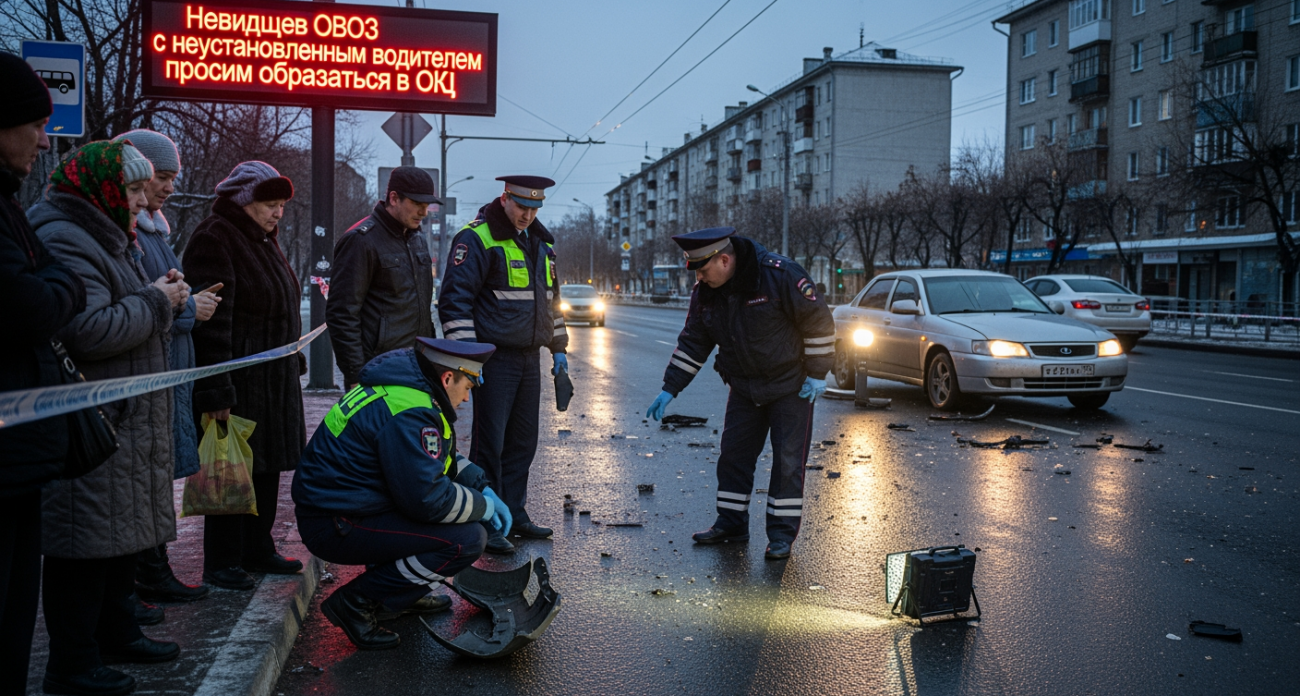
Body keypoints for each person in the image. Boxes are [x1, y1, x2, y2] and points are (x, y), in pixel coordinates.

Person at [31, 140, 187, 695]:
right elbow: (88, 330)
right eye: (132, 189)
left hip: (121, 416)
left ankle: (118, 633)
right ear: (99, 190)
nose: (142, 200)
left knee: (118, 533)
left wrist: (158, 297)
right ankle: (72, 664)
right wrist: (158, 301)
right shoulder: (67, 236)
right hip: (92, 419)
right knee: (83, 542)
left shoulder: (105, 234)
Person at [293, 338, 509, 650]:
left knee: (454, 523)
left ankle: (400, 594)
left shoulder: (406, 392)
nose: (466, 397)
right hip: (335, 522)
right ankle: (355, 603)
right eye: (467, 387)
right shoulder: (412, 411)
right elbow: (428, 500)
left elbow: (434, 459)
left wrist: (480, 486)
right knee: (467, 539)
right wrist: (484, 507)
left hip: (342, 510)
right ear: (447, 378)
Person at [644, 227, 835, 561]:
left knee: (788, 462)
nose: (699, 277)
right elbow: (694, 342)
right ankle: (731, 524)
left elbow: (818, 323)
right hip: (744, 387)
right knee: (733, 457)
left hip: (791, 386)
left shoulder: (779, 275)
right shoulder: (706, 292)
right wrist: (669, 388)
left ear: (724, 260)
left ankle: (781, 536)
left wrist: (818, 373)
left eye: (702, 269)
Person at [0, 52, 86, 695]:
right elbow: (33, 302)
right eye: (35, 124)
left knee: (15, 608)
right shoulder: (36, 218)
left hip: (20, 453)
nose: (44, 139)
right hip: (10, 447)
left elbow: (53, 285)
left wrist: (54, 285)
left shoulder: (9, 205)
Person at [183, 161, 305, 591]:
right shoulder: (216, 238)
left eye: (281, 205)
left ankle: (257, 546)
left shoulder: (262, 239)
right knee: (230, 470)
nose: (278, 213)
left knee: (265, 469)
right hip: (239, 383)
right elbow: (213, 324)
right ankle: (223, 560)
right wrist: (217, 389)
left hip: (272, 380)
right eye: (270, 204)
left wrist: (292, 359)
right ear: (243, 201)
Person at [113, 129, 217, 607]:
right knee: (136, 484)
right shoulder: (129, 234)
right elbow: (144, 302)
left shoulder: (154, 230)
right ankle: (142, 577)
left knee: (154, 479)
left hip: (165, 373)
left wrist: (183, 299)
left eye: (174, 177)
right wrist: (187, 306)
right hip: (146, 378)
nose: (170, 187)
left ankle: (153, 569)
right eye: (161, 177)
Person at [437, 175, 567, 554]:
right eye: (521, 207)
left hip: (528, 358)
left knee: (523, 441)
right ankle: (486, 519)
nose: (527, 215)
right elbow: (455, 302)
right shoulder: (477, 239)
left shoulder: (542, 244)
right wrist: (468, 361)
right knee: (489, 443)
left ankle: (514, 512)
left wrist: (559, 350)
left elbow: (552, 302)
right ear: (505, 198)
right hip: (492, 360)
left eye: (534, 209)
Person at [328, 166, 439, 390]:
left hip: (417, 365)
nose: (424, 212)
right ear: (394, 198)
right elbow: (342, 313)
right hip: (378, 369)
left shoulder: (417, 239)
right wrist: (355, 374)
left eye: (427, 205)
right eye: (417, 204)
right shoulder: (361, 240)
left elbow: (422, 309)